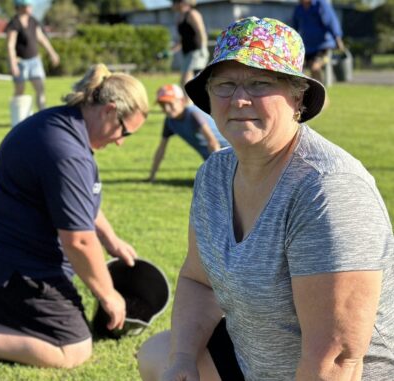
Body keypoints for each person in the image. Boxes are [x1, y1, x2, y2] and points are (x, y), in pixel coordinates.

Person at [137, 17, 393, 380]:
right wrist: (182, 360)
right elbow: (198, 280)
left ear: (298, 96)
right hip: (254, 361)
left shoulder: (328, 190)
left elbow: (335, 360)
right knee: (158, 354)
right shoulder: (214, 174)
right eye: (225, 85)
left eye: (261, 83)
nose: (240, 99)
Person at [0, 64, 149, 371]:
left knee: (50, 322)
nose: (121, 141)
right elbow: (78, 241)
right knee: (73, 347)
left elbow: (75, 197)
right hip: (11, 266)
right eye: (124, 131)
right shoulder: (68, 153)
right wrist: (108, 295)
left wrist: (110, 238)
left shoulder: (57, 122)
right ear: (109, 110)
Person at [147, 84, 228, 183]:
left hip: (230, 155)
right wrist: (152, 176)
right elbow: (161, 149)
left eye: (170, 104)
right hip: (214, 160)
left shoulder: (193, 114)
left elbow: (213, 143)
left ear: (181, 101)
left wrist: (219, 173)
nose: (167, 109)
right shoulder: (170, 121)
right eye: (163, 105)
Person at [5, 0, 60, 113]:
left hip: (34, 61)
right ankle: (18, 115)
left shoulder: (33, 21)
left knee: (40, 89)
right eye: (28, 5)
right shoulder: (14, 23)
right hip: (20, 63)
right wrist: (13, 64)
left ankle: (42, 114)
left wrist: (52, 53)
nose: (30, 8)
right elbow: (10, 45)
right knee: (20, 91)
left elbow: (42, 39)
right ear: (20, 7)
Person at [292, 0, 345, 84]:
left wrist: (337, 38)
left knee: (315, 68)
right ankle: (317, 92)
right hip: (307, 46)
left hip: (323, 45)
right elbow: (294, 27)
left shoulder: (321, 4)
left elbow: (331, 21)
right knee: (306, 72)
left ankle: (320, 93)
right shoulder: (299, 8)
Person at [170, 0, 209, 90]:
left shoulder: (192, 14)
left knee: (186, 80)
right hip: (186, 53)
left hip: (196, 52)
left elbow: (201, 32)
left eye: (174, 2)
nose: (172, 5)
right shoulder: (179, 18)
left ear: (182, 2)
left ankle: (188, 103)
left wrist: (203, 49)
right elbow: (181, 40)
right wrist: (170, 52)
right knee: (191, 81)